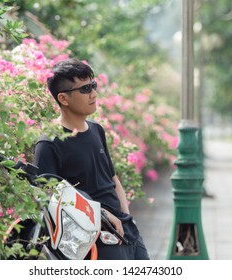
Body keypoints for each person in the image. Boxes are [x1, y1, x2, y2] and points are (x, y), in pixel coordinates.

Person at [33, 58, 149, 260]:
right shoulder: (49, 143)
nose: (94, 94)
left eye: (93, 85)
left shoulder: (96, 129)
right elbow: (53, 201)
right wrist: (103, 217)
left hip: (125, 230)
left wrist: (126, 216)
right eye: (86, 89)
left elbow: (112, 179)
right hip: (95, 240)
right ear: (63, 98)